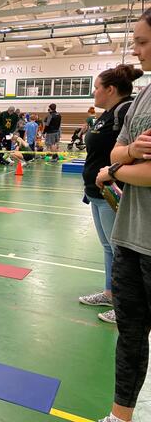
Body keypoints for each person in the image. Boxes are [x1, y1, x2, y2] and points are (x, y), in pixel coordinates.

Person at [94, 8, 151, 422]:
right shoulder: (145, 95)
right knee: (130, 335)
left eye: (144, 42)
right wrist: (127, 157)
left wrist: (114, 170)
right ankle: (120, 417)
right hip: (130, 235)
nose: (136, 49)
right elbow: (120, 149)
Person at [79, 64, 140, 325]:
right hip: (96, 192)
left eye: (96, 87)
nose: (94, 92)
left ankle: (125, 305)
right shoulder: (107, 114)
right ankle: (110, 293)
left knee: (120, 251)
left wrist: (114, 174)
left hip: (113, 192)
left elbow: (133, 152)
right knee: (108, 248)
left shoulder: (126, 111)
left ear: (110, 89)